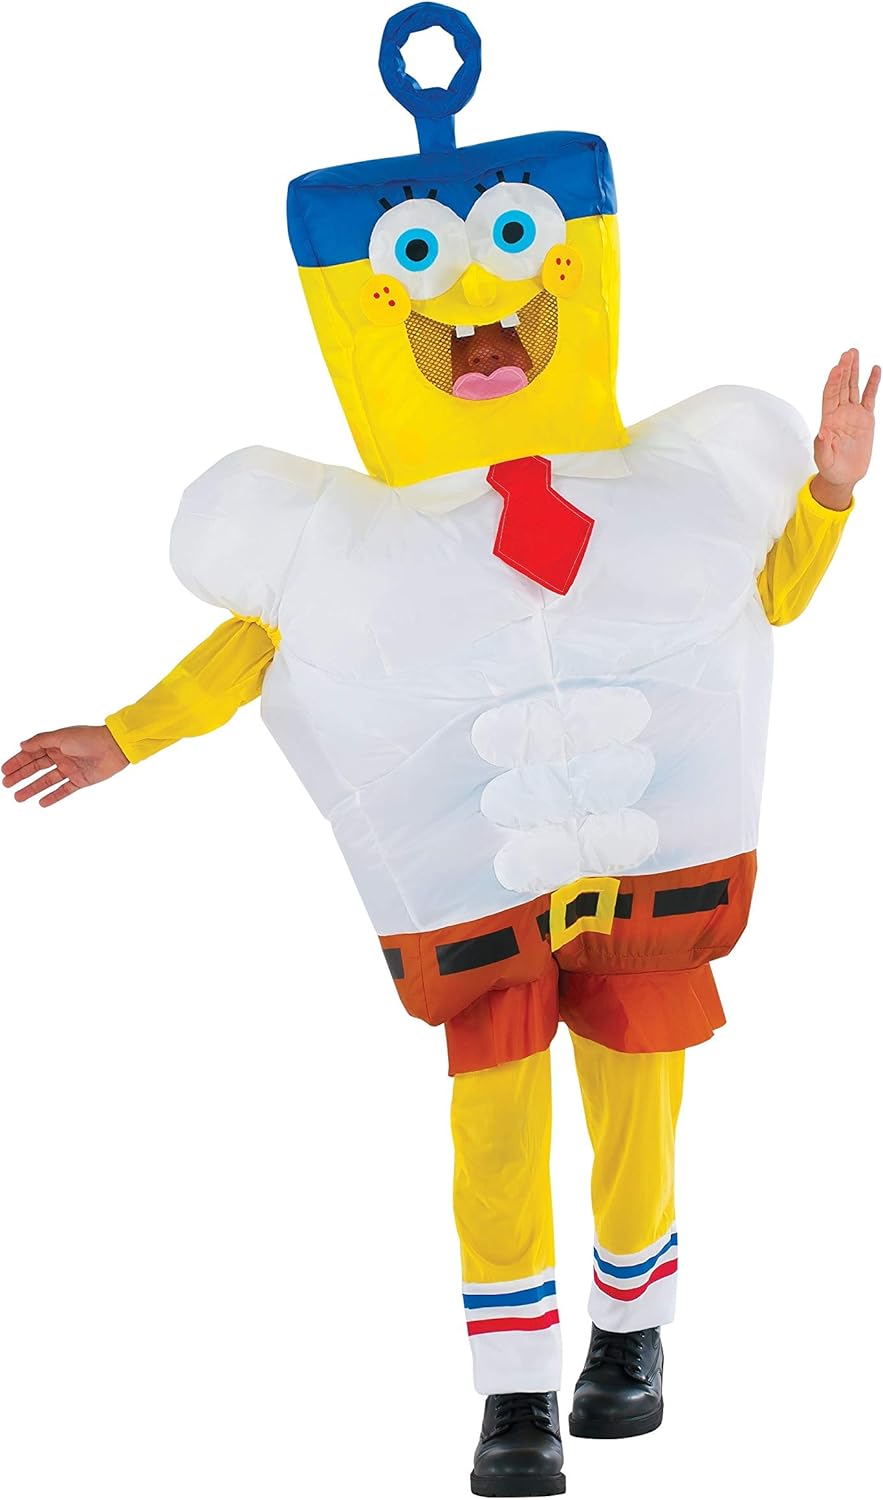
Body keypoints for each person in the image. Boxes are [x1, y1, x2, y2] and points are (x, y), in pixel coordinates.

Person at [3, 6, 878, 1496]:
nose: (480, 324)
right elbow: (258, 648)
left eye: (513, 269)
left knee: (637, 1110)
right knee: (496, 1127)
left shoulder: (665, 492)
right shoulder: (354, 542)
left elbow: (767, 596)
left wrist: (829, 496)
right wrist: (128, 737)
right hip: (483, 889)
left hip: (648, 872)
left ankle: (632, 1329)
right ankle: (516, 1392)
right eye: (428, 282)